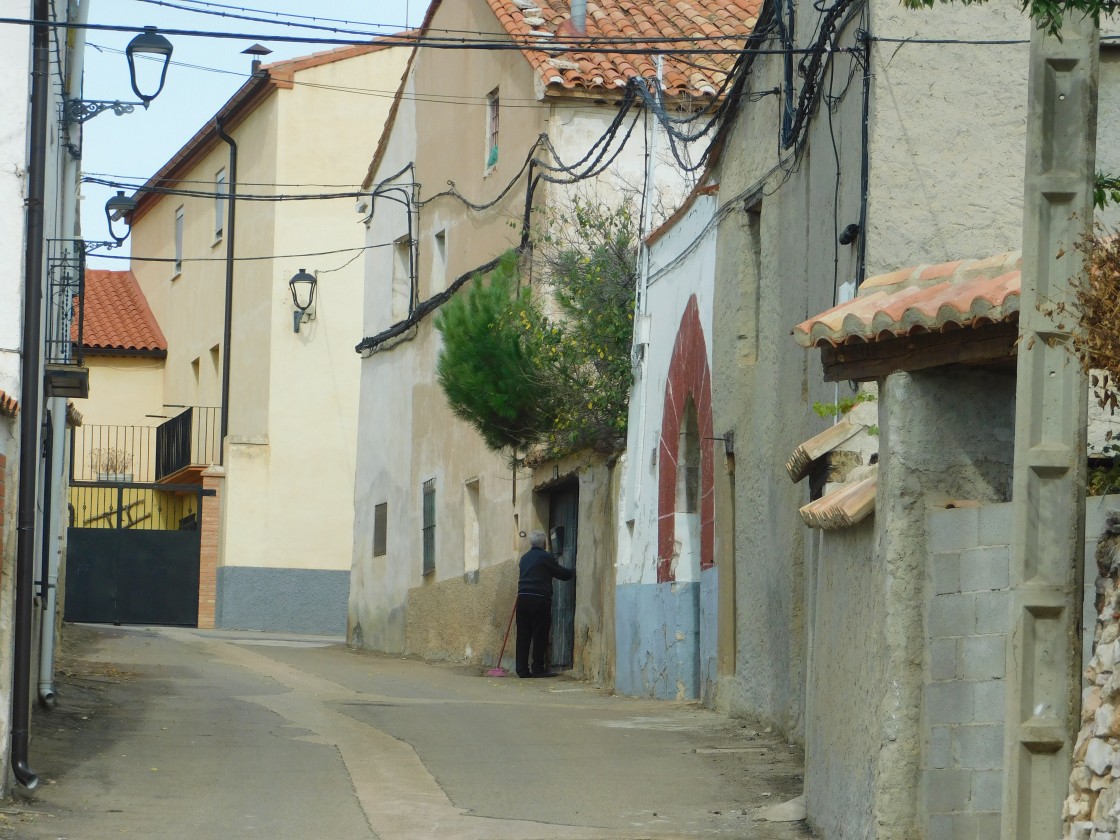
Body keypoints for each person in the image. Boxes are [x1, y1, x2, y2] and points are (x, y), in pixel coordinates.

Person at [515, 529, 573, 678]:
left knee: (523, 635)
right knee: (540, 634)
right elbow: (560, 573)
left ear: (531, 543)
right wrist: (572, 572)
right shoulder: (546, 557)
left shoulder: (524, 558)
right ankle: (537, 668)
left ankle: (521, 669)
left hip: (522, 598)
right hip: (539, 599)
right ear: (545, 544)